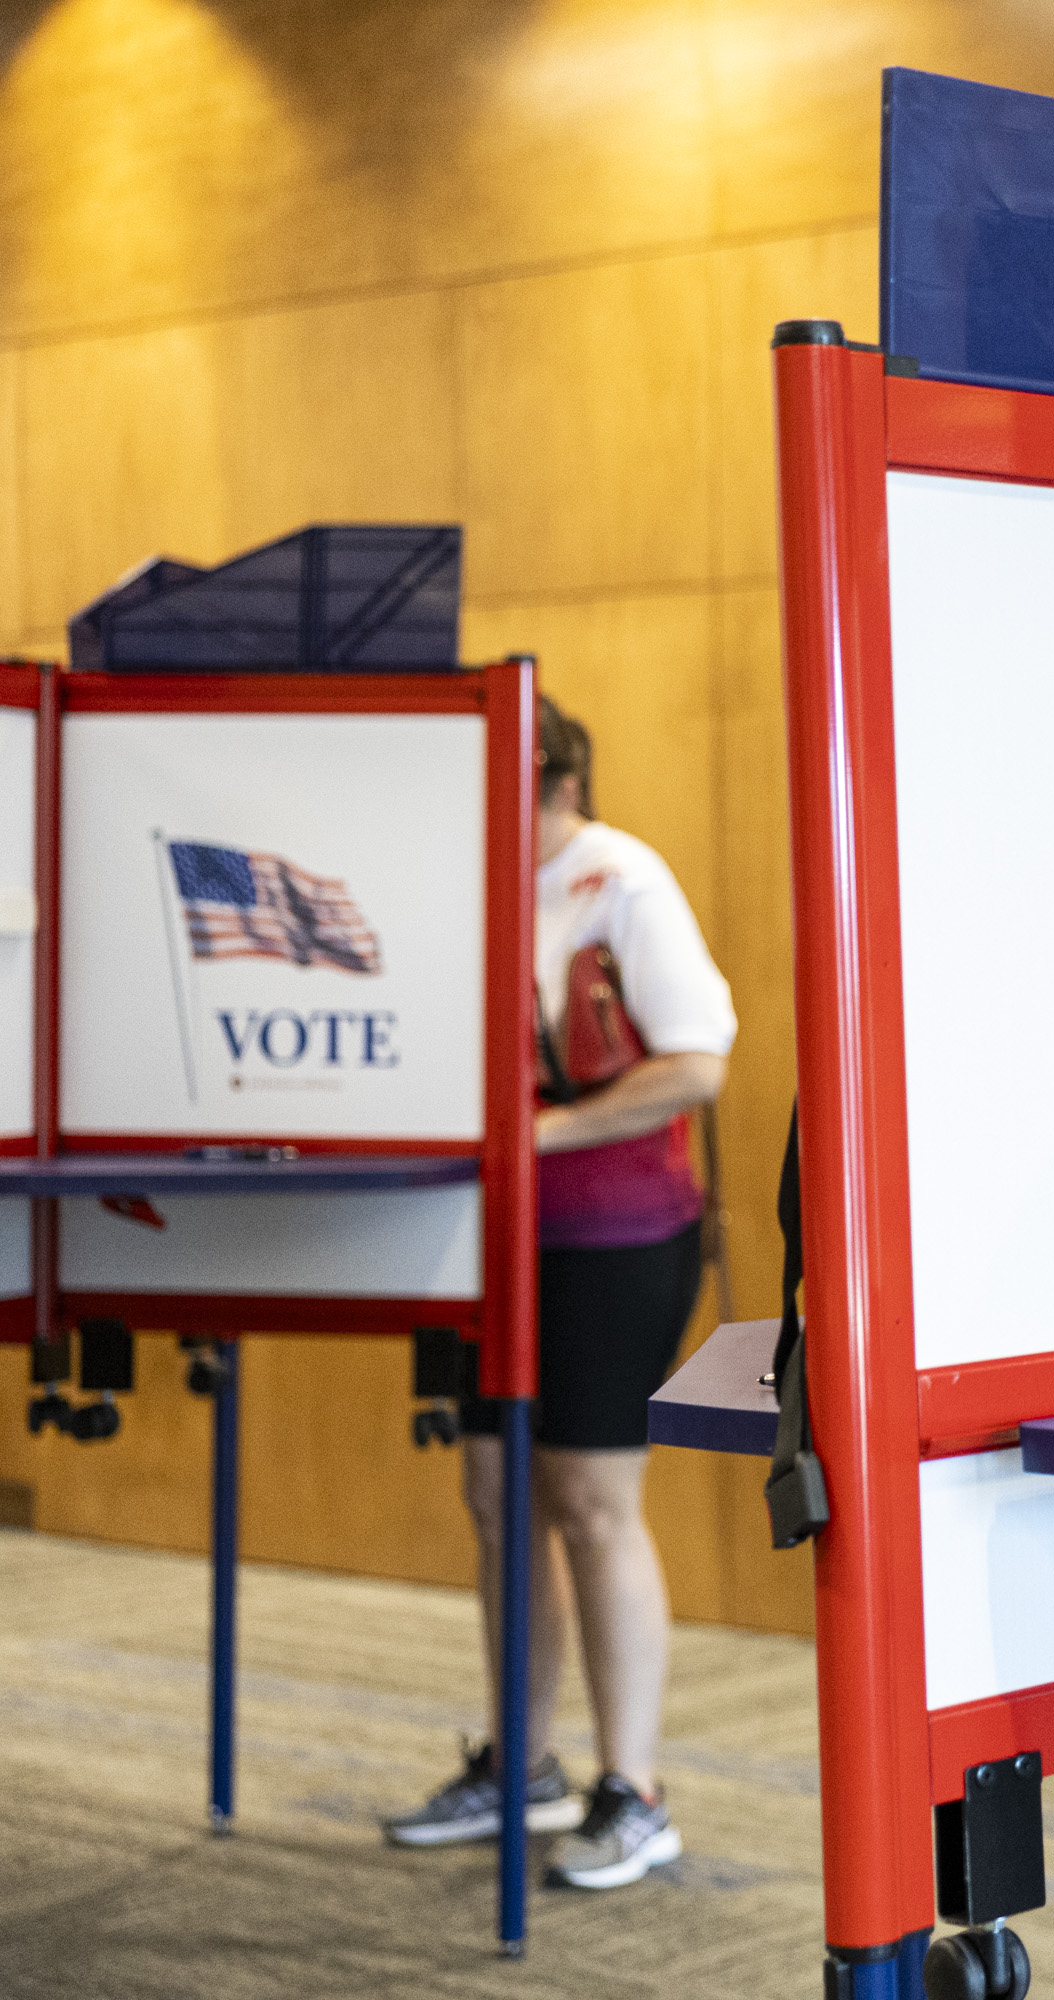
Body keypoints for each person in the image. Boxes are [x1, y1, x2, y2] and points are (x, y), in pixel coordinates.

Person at [381, 693, 736, 1892]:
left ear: (548, 774)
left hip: (618, 1230)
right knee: (497, 1489)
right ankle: (521, 1763)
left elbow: (697, 1060)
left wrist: (550, 1131)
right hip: (493, 1237)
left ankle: (634, 1788)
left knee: (590, 1497)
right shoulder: (474, 883)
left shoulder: (616, 874)